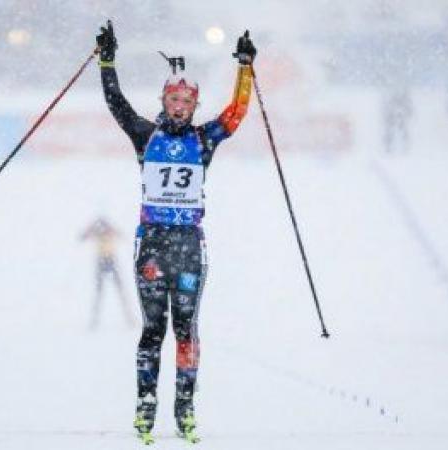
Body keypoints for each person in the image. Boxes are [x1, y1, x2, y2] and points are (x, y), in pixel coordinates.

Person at [95, 20, 256, 442]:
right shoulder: (145, 135)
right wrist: (107, 60)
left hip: (188, 248)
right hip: (151, 245)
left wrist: (245, 67)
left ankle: (184, 408)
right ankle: (145, 407)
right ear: (164, 101)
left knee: (187, 330)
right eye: (173, 98)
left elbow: (236, 114)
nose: (179, 106)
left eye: (186, 100)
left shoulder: (204, 141)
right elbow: (116, 103)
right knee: (153, 330)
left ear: (194, 104)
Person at [79, 217, 135, 330]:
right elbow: (82, 237)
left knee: (120, 291)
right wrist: (92, 226)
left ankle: (129, 318)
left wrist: (109, 227)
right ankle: (94, 321)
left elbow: (122, 235)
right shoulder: (97, 232)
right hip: (102, 262)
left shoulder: (109, 231)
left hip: (110, 261)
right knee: (100, 293)